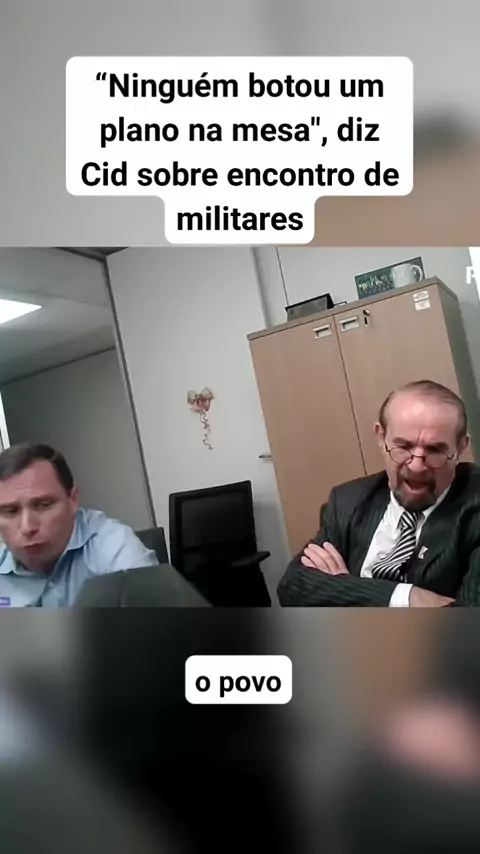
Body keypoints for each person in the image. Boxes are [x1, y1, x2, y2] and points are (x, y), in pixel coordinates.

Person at [278, 380, 480, 607]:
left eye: (435, 450)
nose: (416, 466)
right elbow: (292, 587)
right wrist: (408, 597)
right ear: (381, 437)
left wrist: (341, 588)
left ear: (460, 448)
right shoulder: (348, 500)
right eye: (403, 447)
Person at [0, 443, 158, 607]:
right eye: (10, 511)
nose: (27, 527)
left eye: (44, 505)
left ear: (73, 500)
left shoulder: (112, 546)